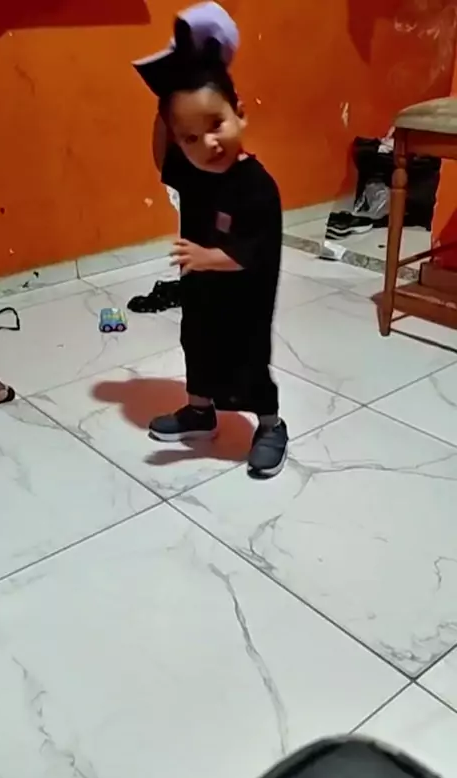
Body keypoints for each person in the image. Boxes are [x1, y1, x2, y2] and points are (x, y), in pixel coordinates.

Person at [147, 54, 288, 478]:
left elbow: (255, 252)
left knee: (247, 362)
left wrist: (207, 257)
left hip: (244, 302)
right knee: (196, 344)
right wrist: (165, 96)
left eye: (216, 125)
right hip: (201, 293)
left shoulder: (257, 187)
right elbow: (161, 156)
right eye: (190, 137)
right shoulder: (194, 172)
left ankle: (270, 425)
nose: (207, 143)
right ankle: (199, 411)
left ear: (239, 114)